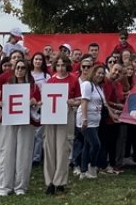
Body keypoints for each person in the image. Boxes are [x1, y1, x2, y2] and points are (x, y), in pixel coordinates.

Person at [0, 58, 42, 195]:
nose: (20, 70)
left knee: (24, 153)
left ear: (27, 70)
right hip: (8, 122)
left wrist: (35, 102)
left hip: (26, 123)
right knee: (6, 153)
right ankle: (4, 186)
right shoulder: (7, 85)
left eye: (23, 68)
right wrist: (0, 103)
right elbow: (0, 101)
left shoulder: (33, 87)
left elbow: (39, 103)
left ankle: (20, 186)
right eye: (17, 67)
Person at [43, 56, 83, 195]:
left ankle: (59, 181)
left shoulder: (73, 79)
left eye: (63, 65)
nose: (60, 68)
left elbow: (79, 100)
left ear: (67, 66)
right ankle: (49, 182)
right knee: (50, 149)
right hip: (51, 117)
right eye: (58, 65)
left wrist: (72, 102)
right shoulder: (51, 80)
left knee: (63, 149)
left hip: (66, 116)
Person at [78, 65, 110, 179]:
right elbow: (84, 102)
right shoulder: (87, 85)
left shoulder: (99, 87)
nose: (100, 75)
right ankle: (92, 165)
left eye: (102, 74)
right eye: (98, 73)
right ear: (93, 72)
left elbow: (102, 103)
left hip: (95, 120)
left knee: (87, 145)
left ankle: (83, 171)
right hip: (87, 120)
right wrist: (84, 119)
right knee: (96, 144)